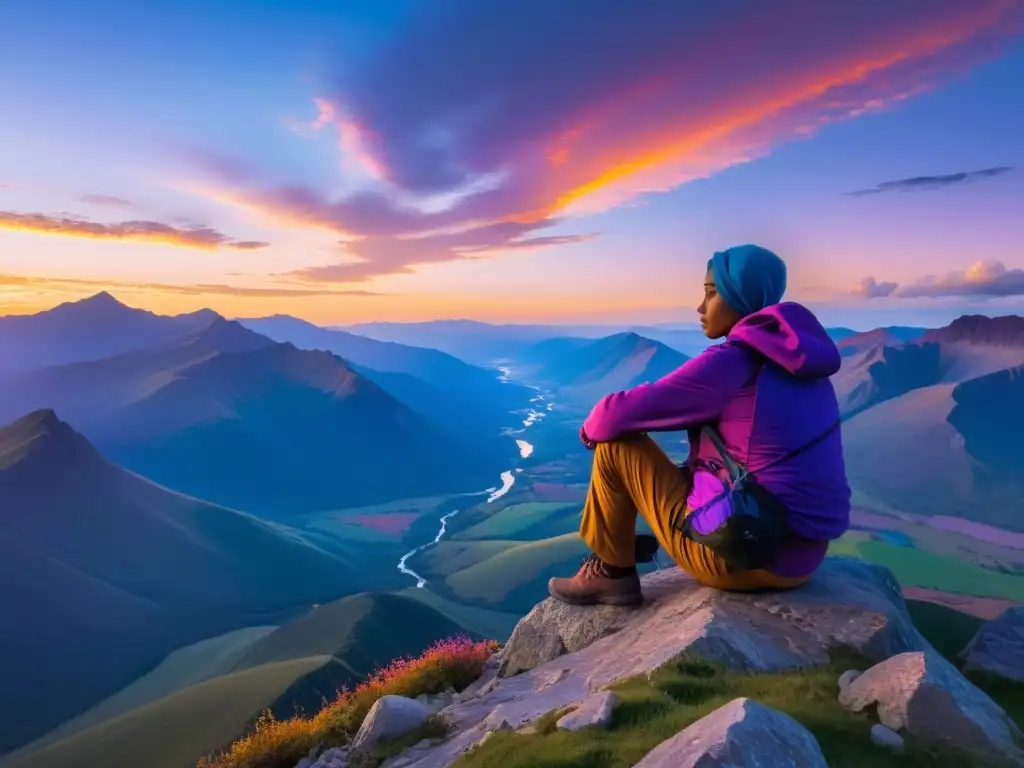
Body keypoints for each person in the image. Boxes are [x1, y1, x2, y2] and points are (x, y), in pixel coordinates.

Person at [548, 244, 851, 607]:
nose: (701, 307)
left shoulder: (733, 360)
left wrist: (591, 428)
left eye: (711, 293)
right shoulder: (803, 367)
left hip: (738, 554)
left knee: (618, 446)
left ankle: (612, 575)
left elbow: (616, 415)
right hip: (800, 562)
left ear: (739, 295)